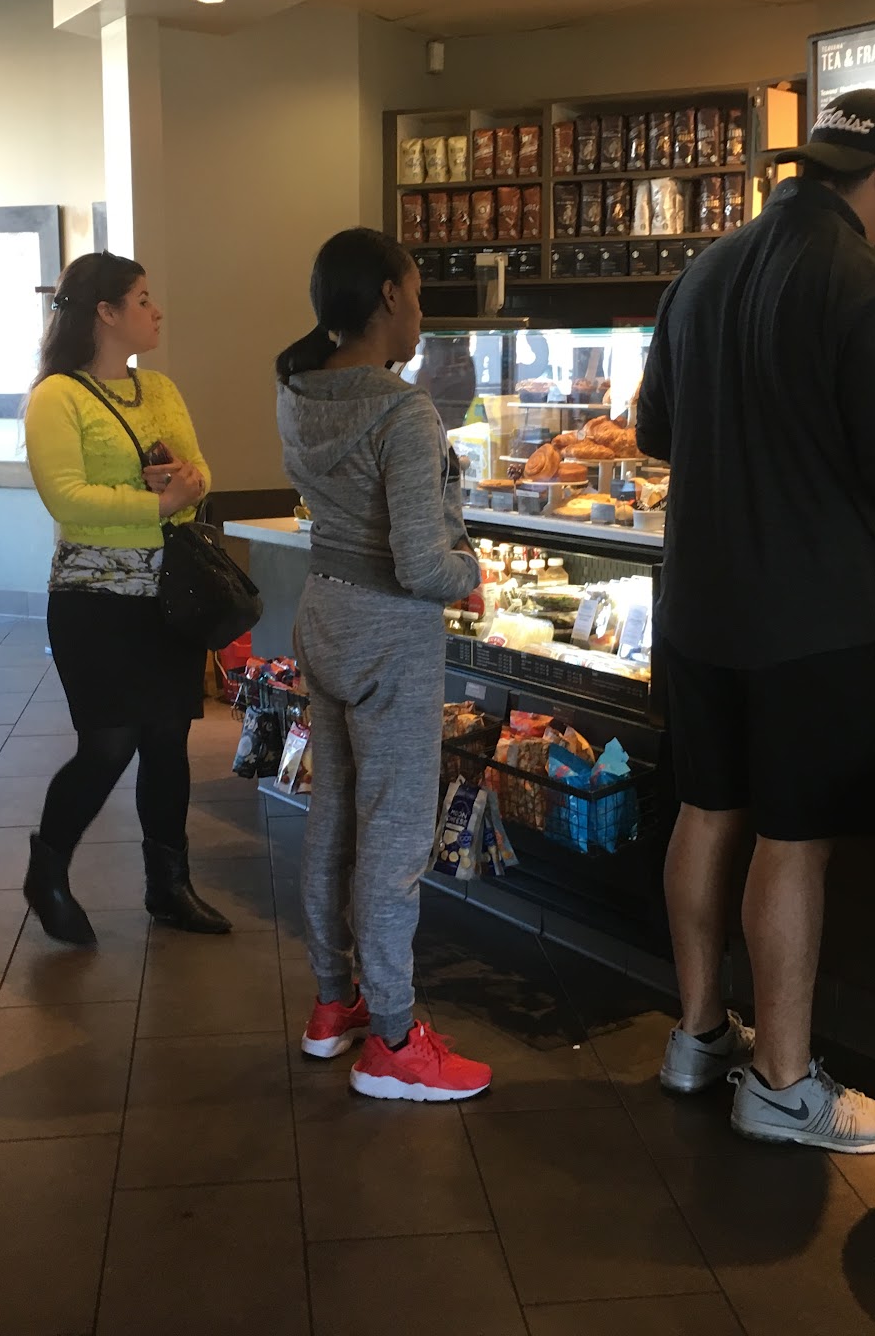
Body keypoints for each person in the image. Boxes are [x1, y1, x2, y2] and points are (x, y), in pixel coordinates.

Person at [636, 88, 875, 1153]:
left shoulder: (703, 271)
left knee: (706, 810)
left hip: (696, 603)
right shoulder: (869, 284)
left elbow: (656, 433)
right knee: (793, 840)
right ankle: (781, 1084)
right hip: (809, 617)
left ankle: (696, 1038)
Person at [275, 228, 493, 1103]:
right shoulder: (402, 412)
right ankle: (397, 1040)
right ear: (391, 297)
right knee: (395, 835)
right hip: (389, 629)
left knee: (333, 816)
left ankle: (336, 1002)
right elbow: (421, 562)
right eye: (419, 294)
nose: (423, 313)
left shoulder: (299, 389)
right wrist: (471, 573)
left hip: (323, 609)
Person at [23, 252, 229, 944]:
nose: (156, 310)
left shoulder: (160, 388)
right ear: (105, 313)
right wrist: (158, 502)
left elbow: (200, 470)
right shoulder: (57, 396)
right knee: (108, 745)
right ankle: (47, 870)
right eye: (142, 299)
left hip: (168, 595)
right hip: (95, 600)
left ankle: (169, 886)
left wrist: (186, 483)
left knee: (168, 741)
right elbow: (66, 498)